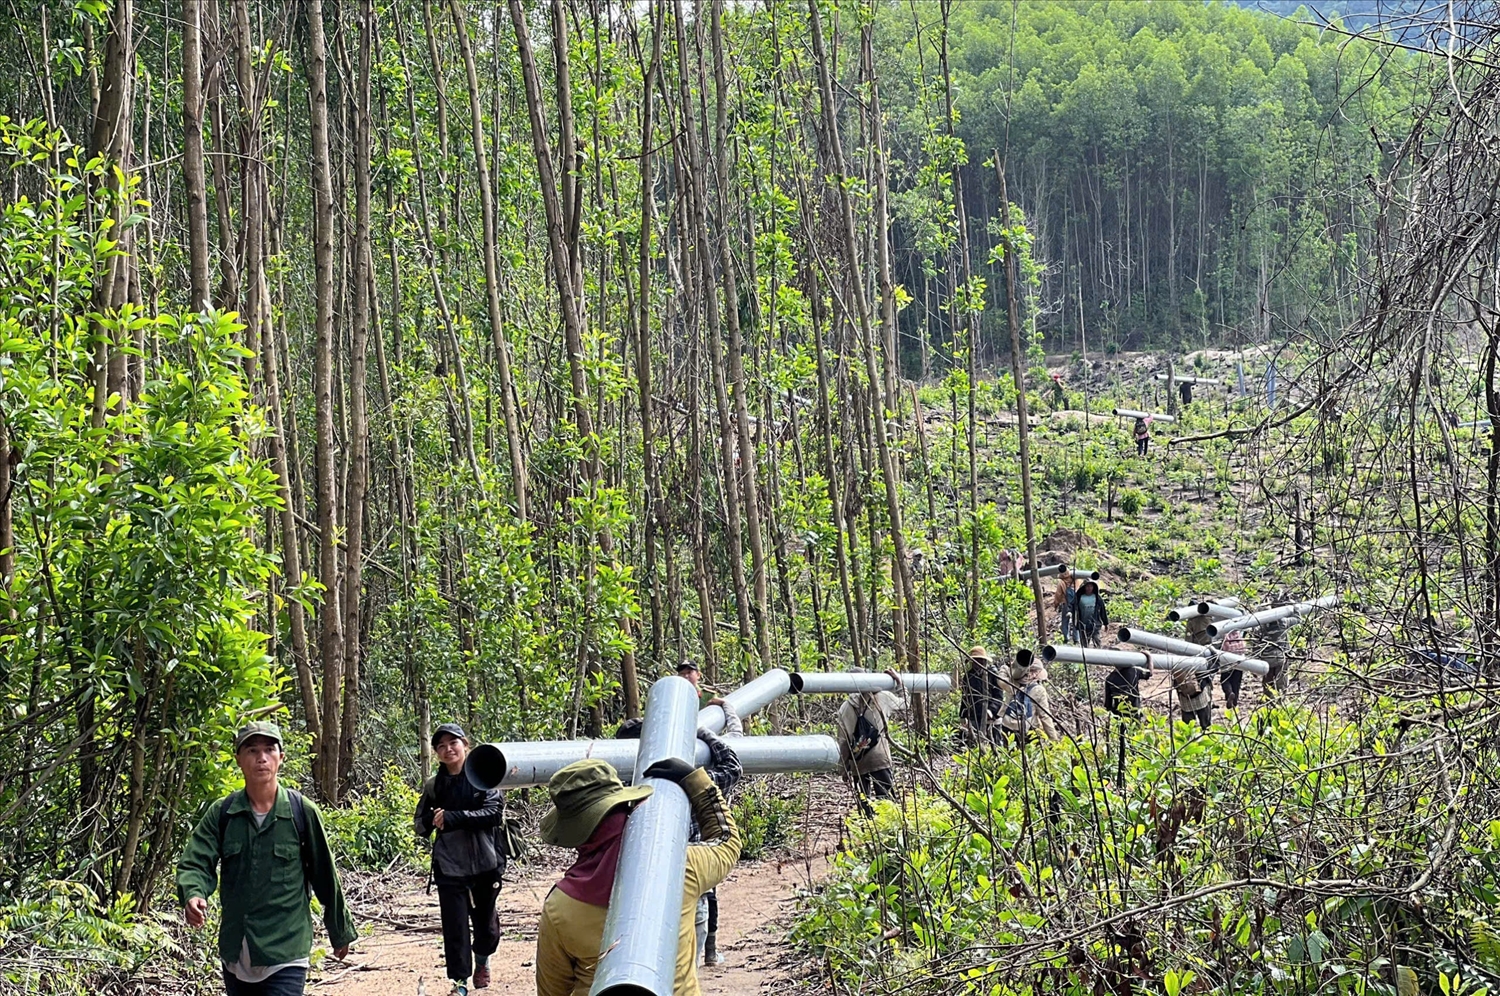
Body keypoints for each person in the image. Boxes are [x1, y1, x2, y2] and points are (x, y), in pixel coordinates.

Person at [533, 757, 740, 996]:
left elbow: (552, 992)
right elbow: (726, 842)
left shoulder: (560, 907)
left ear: (575, 834)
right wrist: (696, 782)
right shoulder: (678, 868)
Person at [176, 721, 356, 996]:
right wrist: (193, 893)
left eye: (269, 749)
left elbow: (325, 876)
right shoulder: (223, 813)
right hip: (237, 951)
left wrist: (339, 931)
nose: (261, 757)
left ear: (281, 757)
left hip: (286, 950)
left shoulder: (301, 812)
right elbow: (196, 861)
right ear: (238, 759)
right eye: (252, 750)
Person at [616, 715, 742, 967]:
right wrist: (698, 730)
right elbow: (732, 768)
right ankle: (710, 951)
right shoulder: (686, 783)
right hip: (691, 876)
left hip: (629, 895)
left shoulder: (621, 791)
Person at [415, 723, 504, 995]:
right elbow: (419, 825)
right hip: (449, 867)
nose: (448, 749)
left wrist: (454, 817)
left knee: (487, 929)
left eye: (453, 743)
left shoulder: (485, 776)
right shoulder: (434, 785)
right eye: (441, 746)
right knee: (455, 929)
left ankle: (482, 961)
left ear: (466, 745)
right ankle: (460, 982)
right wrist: (433, 819)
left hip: (486, 865)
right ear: (436, 753)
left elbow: (493, 814)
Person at [835, 669, 907, 803]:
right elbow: (905, 704)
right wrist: (899, 682)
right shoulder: (882, 698)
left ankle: (867, 816)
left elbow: (843, 742)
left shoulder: (844, 708)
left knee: (864, 802)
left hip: (858, 761)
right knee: (886, 802)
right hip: (880, 758)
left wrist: (844, 769)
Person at [997, 650, 1059, 742]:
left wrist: (1009, 668)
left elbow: (1001, 679)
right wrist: (1054, 739)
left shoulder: (1011, 682)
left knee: (1009, 749)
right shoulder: (1038, 690)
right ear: (1036, 673)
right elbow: (1045, 716)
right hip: (1027, 729)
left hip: (1007, 725)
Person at [961, 646, 1004, 744]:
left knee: (994, 744)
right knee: (974, 744)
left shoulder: (993, 674)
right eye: (975, 660)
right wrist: (963, 715)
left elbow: (999, 697)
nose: (977, 663)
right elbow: (965, 697)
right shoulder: (968, 676)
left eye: (980, 660)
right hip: (974, 717)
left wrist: (991, 711)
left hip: (992, 718)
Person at [1216, 628, 1248, 710]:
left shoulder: (1223, 631)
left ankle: (1229, 693)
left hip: (1227, 661)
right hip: (1239, 661)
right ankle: (1235, 702)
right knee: (1236, 682)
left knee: (1225, 680)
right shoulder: (1239, 631)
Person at [1074, 580, 1110, 648]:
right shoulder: (1079, 597)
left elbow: (1102, 610)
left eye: (1091, 586)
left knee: (1097, 641)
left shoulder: (1097, 598)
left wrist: (1106, 623)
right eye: (1087, 586)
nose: (1089, 588)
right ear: (1084, 587)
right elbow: (1072, 606)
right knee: (1084, 643)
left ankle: (1098, 652)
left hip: (1095, 623)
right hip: (1083, 624)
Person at [1053, 575, 1079, 643]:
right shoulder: (1077, 580)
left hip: (1066, 603)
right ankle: (1076, 639)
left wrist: (1056, 604)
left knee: (1065, 621)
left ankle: (1066, 638)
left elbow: (1058, 595)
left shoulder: (1061, 582)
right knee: (1075, 620)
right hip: (1076, 603)